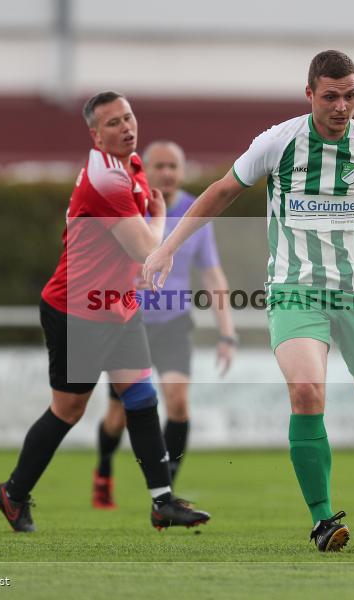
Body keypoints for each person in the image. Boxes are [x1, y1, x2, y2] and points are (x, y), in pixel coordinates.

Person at [143, 50, 354, 552]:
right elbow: (220, 192)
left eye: (350, 95)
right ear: (310, 95)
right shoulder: (278, 143)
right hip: (294, 291)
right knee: (306, 393)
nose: (342, 106)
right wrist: (167, 247)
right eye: (331, 96)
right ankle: (324, 520)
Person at [0, 92, 210, 533]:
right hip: (77, 309)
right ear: (95, 134)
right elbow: (149, 253)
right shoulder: (105, 179)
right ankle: (12, 494)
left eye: (128, 117)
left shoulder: (131, 168)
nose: (126, 127)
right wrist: (163, 214)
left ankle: (162, 501)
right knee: (68, 410)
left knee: (142, 398)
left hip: (116, 306)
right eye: (113, 123)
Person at [93, 141, 236, 509]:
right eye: (160, 166)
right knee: (116, 418)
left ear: (182, 172)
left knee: (178, 402)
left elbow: (212, 273)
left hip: (174, 323)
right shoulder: (130, 209)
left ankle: (165, 491)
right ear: (145, 170)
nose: (167, 173)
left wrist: (227, 332)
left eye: (174, 166)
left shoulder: (196, 212)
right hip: (130, 323)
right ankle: (104, 467)